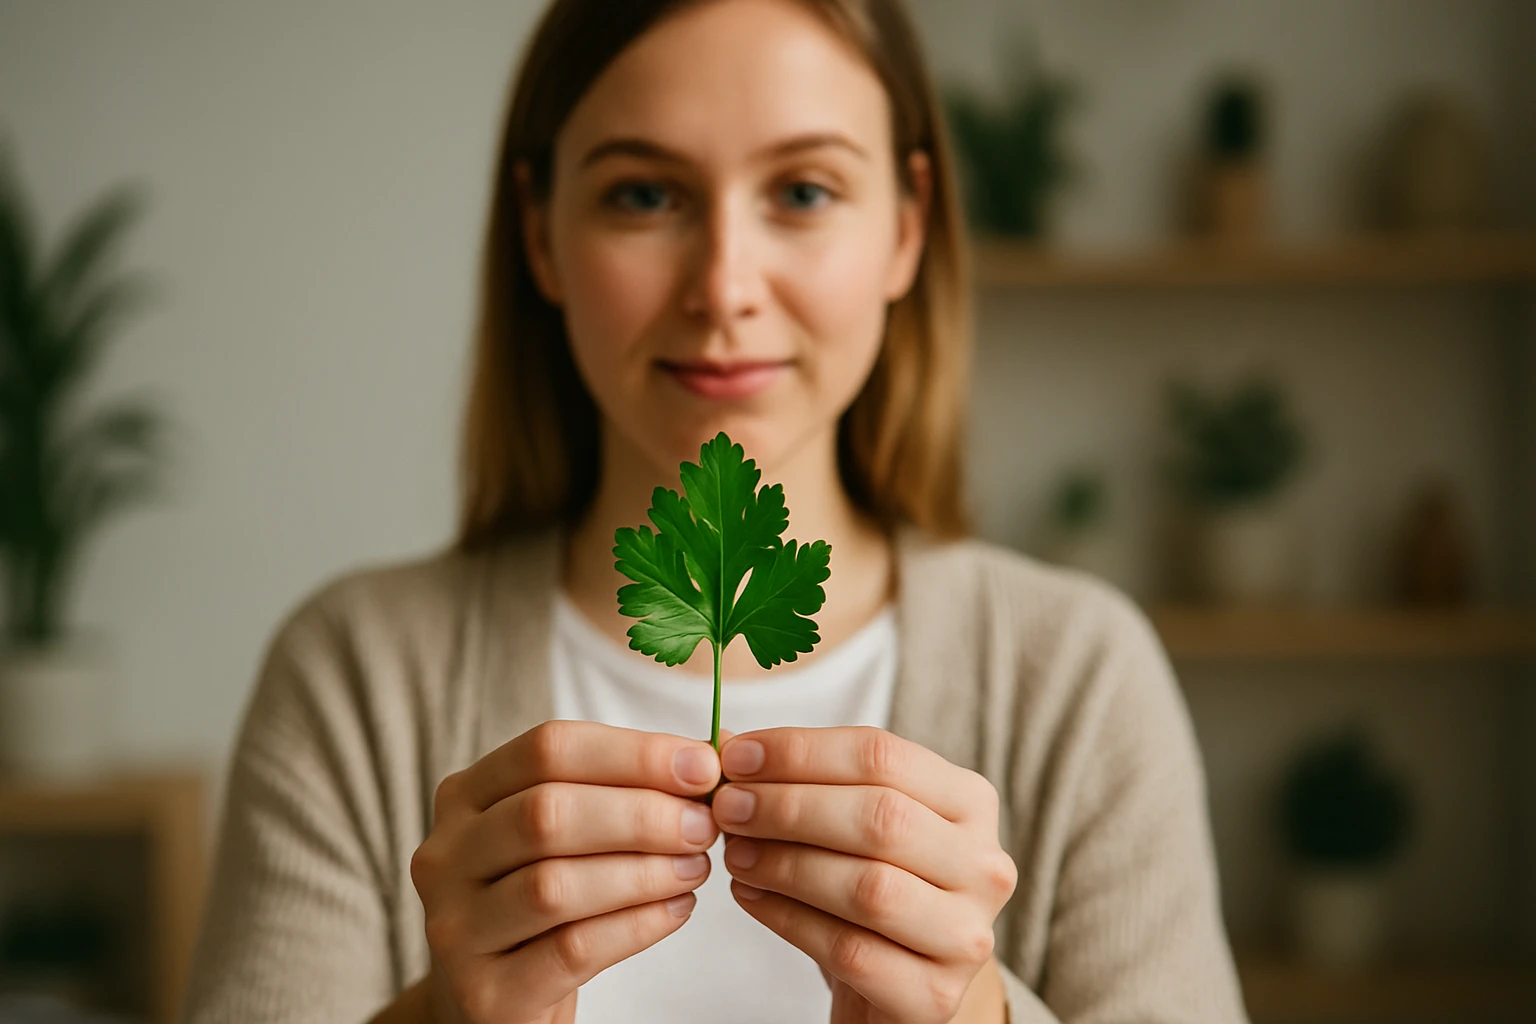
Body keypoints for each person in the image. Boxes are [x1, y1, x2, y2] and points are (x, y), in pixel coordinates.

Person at [181, 0, 1248, 1021]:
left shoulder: (1081, 679)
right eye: (645, 195)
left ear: (907, 229)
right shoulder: (354, 677)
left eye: (804, 192)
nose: (725, 287)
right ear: (541, 234)